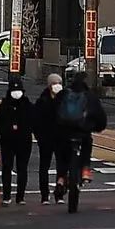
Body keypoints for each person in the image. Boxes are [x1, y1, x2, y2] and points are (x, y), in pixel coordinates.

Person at [53, 70, 107, 202]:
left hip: (64, 132)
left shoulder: (63, 94)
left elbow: (53, 112)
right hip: (82, 132)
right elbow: (100, 117)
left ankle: (61, 178)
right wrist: (96, 127)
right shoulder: (90, 96)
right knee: (87, 144)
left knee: (62, 155)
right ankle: (85, 169)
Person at [0, 76, 33, 205]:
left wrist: (27, 130)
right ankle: (6, 196)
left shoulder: (27, 105)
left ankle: (20, 197)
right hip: (7, 141)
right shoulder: (4, 106)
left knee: (22, 168)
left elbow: (34, 120)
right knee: (7, 167)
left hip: (24, 141)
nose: (16, 93)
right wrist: (3, 131)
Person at [32, 74, 63, 204]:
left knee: (62, 167)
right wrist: (40, 137)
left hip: (61, 139)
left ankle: (60, 193)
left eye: (59, 83)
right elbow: (35, 121)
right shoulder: (42, 101)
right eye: (54, 83)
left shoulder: (65, 100)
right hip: (46, 140)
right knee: (44, 166)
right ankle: (44, 195)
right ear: (49, 85)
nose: (57, 86)